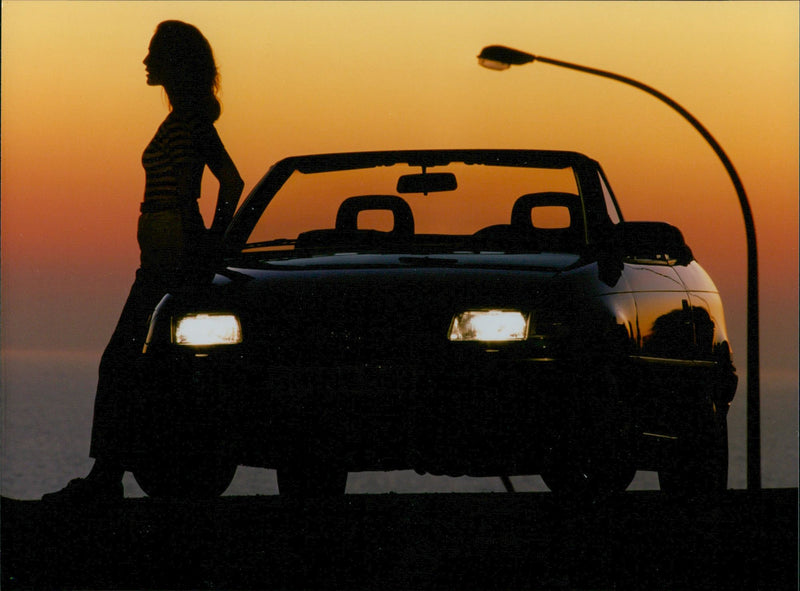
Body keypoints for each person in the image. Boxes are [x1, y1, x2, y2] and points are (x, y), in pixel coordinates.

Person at [43, 21, 244, 502]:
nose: (146, 61)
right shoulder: (179, 119)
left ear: (175, 62)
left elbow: (231, 182)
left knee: (120, 361)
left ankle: (107, 476)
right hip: (160, 254)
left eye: (154, 53)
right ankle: (110, 473)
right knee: (132, 362)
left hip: (174, 253)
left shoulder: (192, 120)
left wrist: (214, 240)